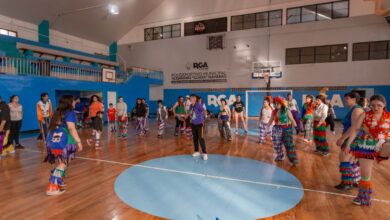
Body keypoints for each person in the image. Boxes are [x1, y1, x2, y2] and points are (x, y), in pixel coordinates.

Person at [344, 94, 389, 206]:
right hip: (366, 147)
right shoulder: (365, 115)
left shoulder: (388, 117)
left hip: (383, 145)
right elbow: (355, 130)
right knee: (365, 174)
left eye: (379, 105)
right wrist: (348, 144)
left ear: (384, 105)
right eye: (373, 105)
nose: (376, 108)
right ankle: (363, 197)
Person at [45, 95, 83, 196]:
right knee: (63, 164)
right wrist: (78, 142)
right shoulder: (70, 113)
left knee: (61, 163)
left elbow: (52, 127)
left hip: (53, 142)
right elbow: (71, 128)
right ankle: (52, 186)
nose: (75, 103)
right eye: (74, 101)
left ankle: (59, 182)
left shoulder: (57, 112)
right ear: (70, 102)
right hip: (66, 142)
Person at [335, 92, 364, 191]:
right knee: (350, 160)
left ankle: (347, 183)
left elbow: (354, 127)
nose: (345, 100)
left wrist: (343, 139)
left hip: (353, 138)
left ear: (354, 99)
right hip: (352, 137)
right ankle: (355, 180)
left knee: (344, 157)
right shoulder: (354, 109)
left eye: (347, 98)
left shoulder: (356, 110)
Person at [270, 96, 298, 165]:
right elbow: (271, 120)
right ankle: (280, 156)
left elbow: (292, 119)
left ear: (282, 104)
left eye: (278, 104)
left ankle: (293, 159)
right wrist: (266, 127)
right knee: (277, 144)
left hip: (286, 129)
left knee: (289, 144)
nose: (276, 105)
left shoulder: (286, 110)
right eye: (275, 104)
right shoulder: (274, 111)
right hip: (277, 129)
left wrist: (296, 127)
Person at [188, 94, 208, 160]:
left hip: (200, 124)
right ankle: (196, 151)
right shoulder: (191, 106)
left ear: (194, 99)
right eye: (190, 99)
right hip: (193, 125)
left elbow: (204, 111)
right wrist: (184, 116)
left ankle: (205, 153)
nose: (190, 100)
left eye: (190, 99)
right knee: (195, 138)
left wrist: (203, 118)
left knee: (201, 138)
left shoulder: (198, 105)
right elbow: (189, 113)